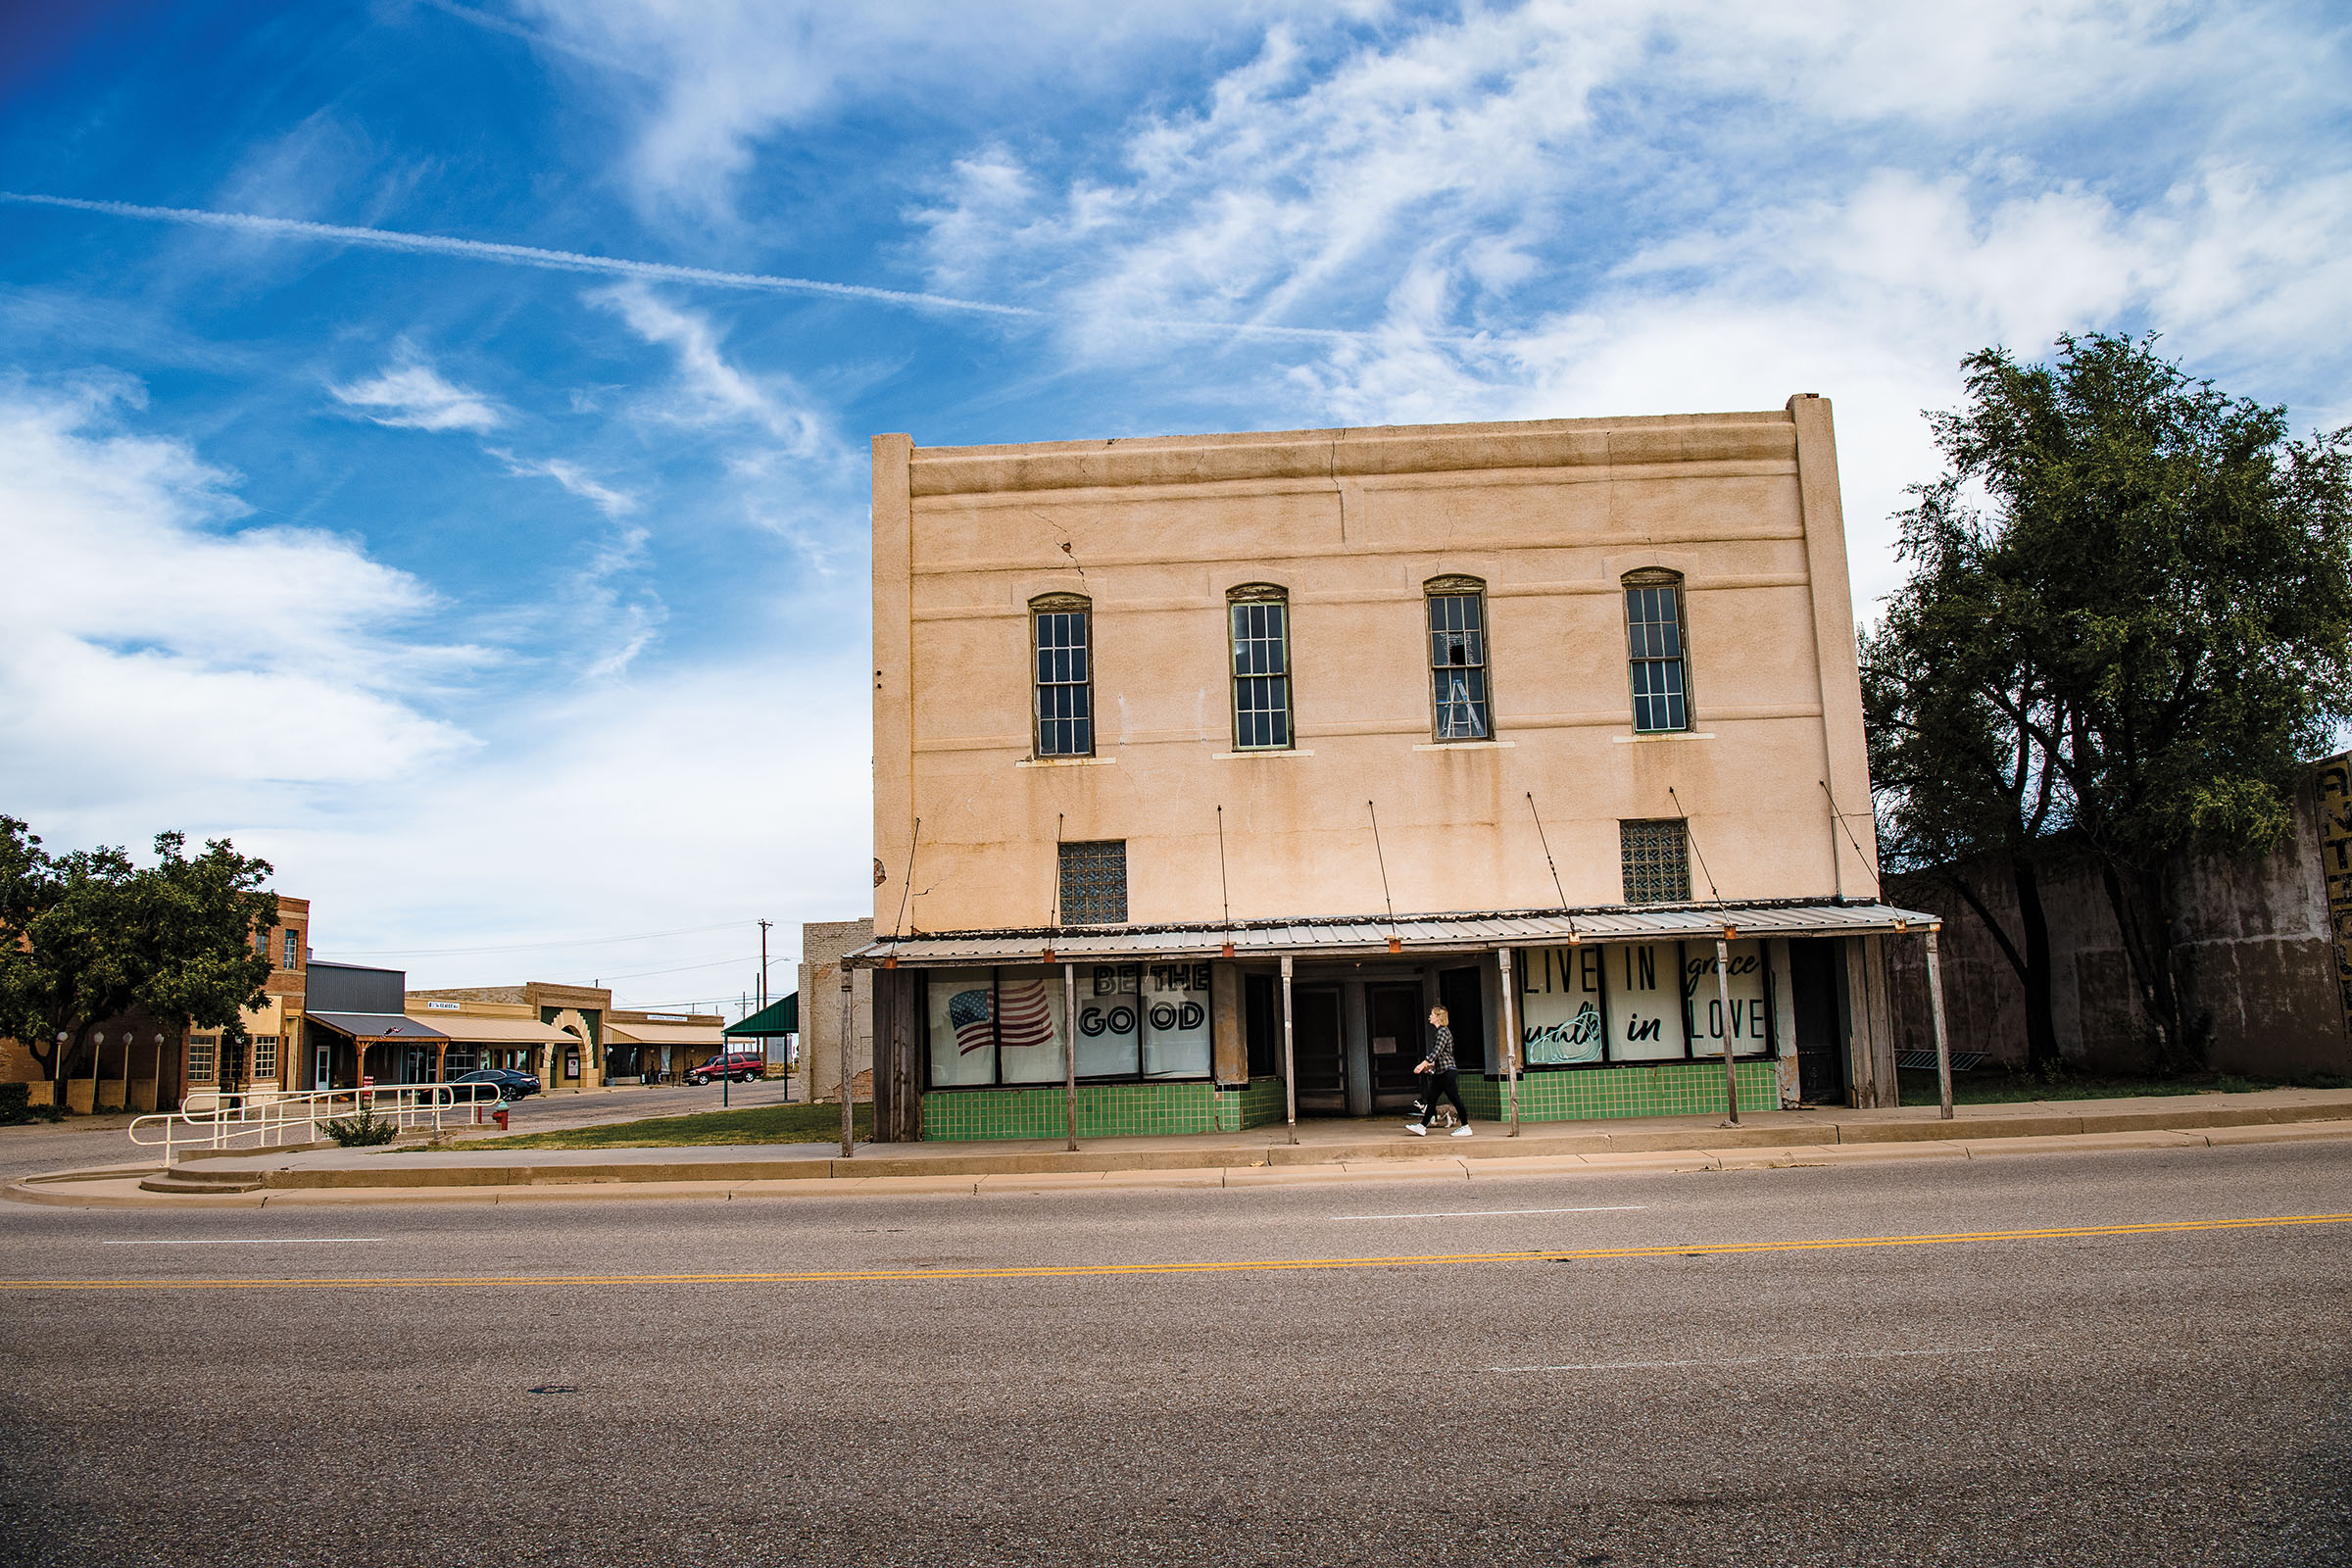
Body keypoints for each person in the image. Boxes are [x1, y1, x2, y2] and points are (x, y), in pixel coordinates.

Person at [1406, 1004, 1472, 1137]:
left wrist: (1422, 1064)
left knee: (1455, 1099)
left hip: (1447, 1072)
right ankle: (1422, 1126)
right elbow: (1441, 1055)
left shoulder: (1443, 1032)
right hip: (1440, 1072)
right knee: (1432, 1099)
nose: (1429, 1017)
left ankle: (1466, 1126)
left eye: (1432, 1014)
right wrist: (1430, 1067)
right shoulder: (1440, 1032)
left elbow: (1436, 1052)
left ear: (1438, 1017)